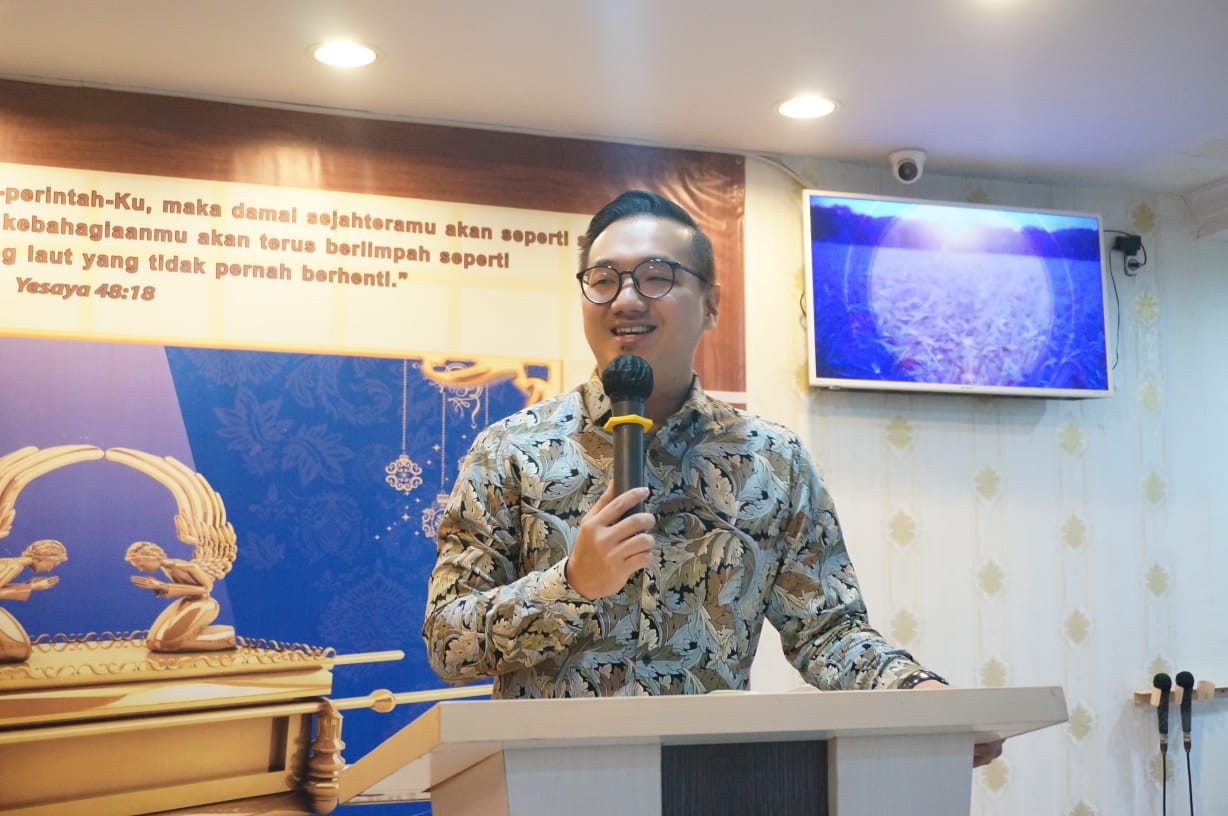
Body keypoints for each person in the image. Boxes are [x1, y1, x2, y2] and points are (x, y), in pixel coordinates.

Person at [423, 189, 1002, 767]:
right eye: (603, 279)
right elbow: (448, 643)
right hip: (547, 783)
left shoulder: (771, 460)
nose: (626, 298)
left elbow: (826, 631)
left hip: (711, 783)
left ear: (711, 304)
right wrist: (572, 583)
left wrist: (918, 693)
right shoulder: (510, 450)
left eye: (656, 277)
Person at [0, 539, 67, 662]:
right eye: (52, 564)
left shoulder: (13, 563)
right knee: (19, 650)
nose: (49, 569)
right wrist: (32, 587)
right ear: (44, 558)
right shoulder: (14, 566)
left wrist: (30, 586)